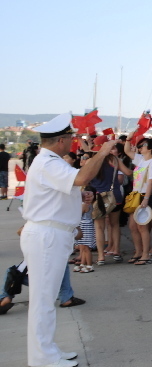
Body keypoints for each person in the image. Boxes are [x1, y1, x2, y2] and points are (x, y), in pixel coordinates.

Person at [20, 113, 114, 367]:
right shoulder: (49, 163)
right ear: (61, 140)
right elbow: (82, 178)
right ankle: (42, 358)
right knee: (43, 300)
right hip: (46, 236)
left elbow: (70, 187)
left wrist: (77, 198)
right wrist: (102, 153)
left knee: (47, 298)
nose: (73, 142)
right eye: (70, 138)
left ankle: (48, 350)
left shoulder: (50, 161)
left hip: (51, 235)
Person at [123, 137, 152, 266]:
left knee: (142, 226)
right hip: (135, 195)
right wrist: (129, 137)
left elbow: (151, 182)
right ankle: (138, 252)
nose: (140, 148)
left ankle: (145, 254)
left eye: (143, 145)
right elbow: (127, 150)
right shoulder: (141, 160)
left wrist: (146, 199)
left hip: (144, 195)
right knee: (133, 226)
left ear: (150, 148)